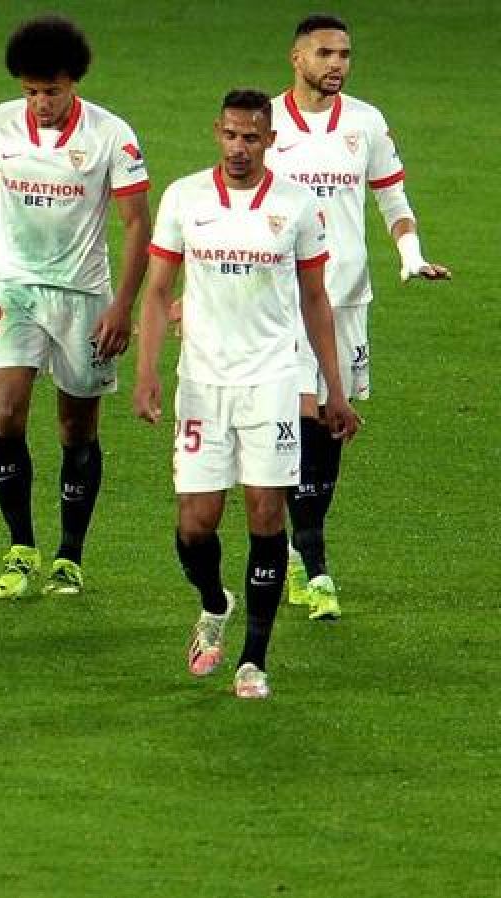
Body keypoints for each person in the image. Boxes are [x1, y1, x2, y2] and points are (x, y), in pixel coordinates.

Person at [134, 90, 361, 699]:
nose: (239, 147)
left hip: (273, 383)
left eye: (252, 137)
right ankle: (214, 603)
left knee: (265, 514)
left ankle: (252, 661)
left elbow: (316, 299)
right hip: (203, 385)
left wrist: (335, 390)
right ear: (218, 132)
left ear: (269, 140)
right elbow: (157, 291)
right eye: (231, 135)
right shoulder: (185, 198)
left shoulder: (296, 205)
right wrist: (148, 370)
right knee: (194, 525)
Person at [0, 15, 151, 599]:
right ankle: (20, 548)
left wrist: (123, 306)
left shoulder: (112, 135)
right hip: (13, 284)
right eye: (31, 91)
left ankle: (69, 556)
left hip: (84, 294)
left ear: (73, 82)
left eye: (51, 92)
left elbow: (138, 223)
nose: (40, 103)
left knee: (76, 427)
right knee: (6, 410)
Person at [267, 14, 451, 620]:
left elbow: (392, 197)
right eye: (325, 53)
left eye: (344, 54)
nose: (337, 64)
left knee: (330, 424)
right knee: (300, 416)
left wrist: (410, 254)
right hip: (284, 300)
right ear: (297, 57)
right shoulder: (267, 124)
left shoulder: (366, 123)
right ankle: (315, 562)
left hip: (346, 299)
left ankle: (298, 549)